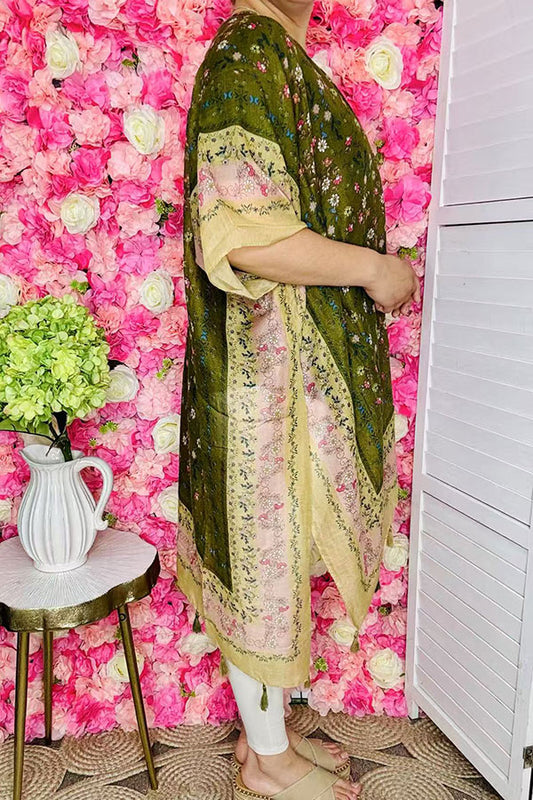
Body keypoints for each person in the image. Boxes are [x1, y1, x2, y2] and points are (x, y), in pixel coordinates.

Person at [176, 1, 419, 797]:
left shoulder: (277, 55)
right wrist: (376, 269)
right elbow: (246, 236)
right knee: (262, 558)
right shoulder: (248, 49)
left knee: (273, 555)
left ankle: (264, 743)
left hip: (289, 368)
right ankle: (269, 764)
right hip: (267, 369)